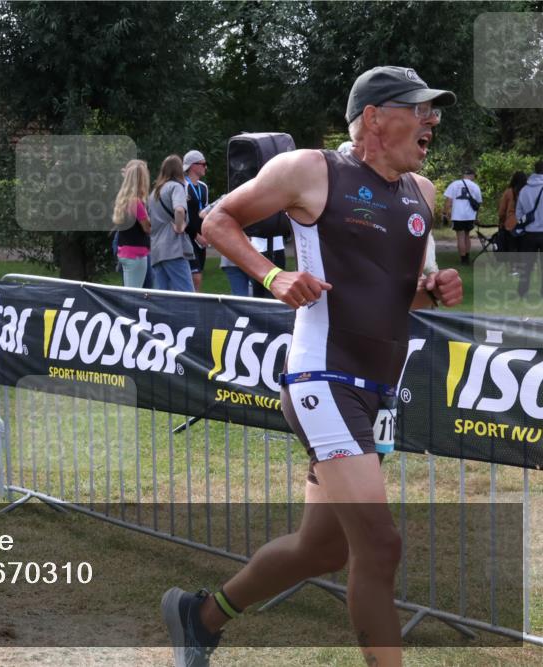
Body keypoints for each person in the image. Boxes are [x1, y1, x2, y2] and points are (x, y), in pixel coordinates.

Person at [161, 66, 462, 667]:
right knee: (379, 545)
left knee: (321, 549)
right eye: (419, 108)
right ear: (374, 116)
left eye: (434, 110)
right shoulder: (311, 169)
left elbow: (398, 295)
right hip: (322, 378)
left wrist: (435, 288)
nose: (431, 120)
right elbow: (217, 219)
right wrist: (273, 276)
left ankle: (201, 615)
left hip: (378, 392)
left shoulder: (423, 194)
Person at [148, 155, 195, 292]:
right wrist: (180, 227)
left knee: (164, 296)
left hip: (156, 250)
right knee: (186, 294)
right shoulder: (176, 187)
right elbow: (179, 210)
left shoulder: (154, 193)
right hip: (173, 248)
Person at [112, 159, 152, 288]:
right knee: (133, 295)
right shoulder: (136, 202)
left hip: (125, 251)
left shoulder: (123, 199)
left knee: (130, 291)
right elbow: (147, 228)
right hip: (137, 254)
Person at [182, 150, 211, 291]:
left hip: (202, 239)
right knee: (195, 276)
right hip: (187, 238)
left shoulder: (204, 187)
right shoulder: (182, 186)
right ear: (193, 166)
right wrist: (196, 236)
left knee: (198, 276)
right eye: (203, 164)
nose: (206, 167)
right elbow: (180, 217)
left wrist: (206, 234)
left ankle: (194, 306)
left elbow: (205, 213)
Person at [515, 160, 543, 298]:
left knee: (526, 265)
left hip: (529, 233)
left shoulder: (525, 189)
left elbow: (518, 212)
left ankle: (522, 291)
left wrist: (524, 226)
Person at [444, 167, 482, 264]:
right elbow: (478, 204)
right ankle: (467, 257)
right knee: (467, 236)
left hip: (457, 215)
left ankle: (463, 259)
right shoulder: (475, 186)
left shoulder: (454, 184)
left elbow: (448, 201)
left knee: (460, 236)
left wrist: (445, 213)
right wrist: (476, 217)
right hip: (470, 216)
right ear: (471, 175)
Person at [497, 171, 527, 255]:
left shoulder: (509, 192)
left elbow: (502, 211)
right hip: (525, 224)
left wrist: (502, 222)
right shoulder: (528, 192)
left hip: (511, 224)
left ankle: (513, 267)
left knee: (512, 248)